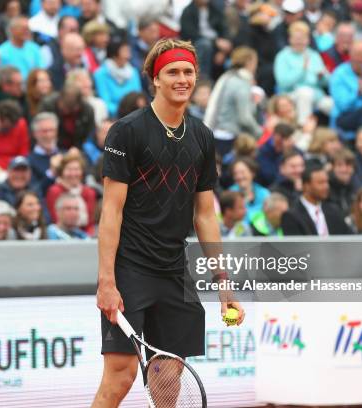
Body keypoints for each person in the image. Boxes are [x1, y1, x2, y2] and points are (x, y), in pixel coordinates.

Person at [92, 38, 244, 407]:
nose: (182, 79)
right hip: (130, 268)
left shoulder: (203, 137)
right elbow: (110, 211)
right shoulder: (127, 132)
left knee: (167, 377)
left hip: (175, 270)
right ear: (155, 80)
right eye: (172, 72)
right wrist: (107, 281)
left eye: (188, 71)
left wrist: (222, 281)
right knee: (122, 375)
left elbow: (205, 214)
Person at [204, 46, 262, 154]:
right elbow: (244, 117)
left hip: (216, 133)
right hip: (228, 137)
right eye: (255, 61)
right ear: (249, 62)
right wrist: (259, 132)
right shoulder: (241, 83)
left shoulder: (226, 77)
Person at [273, 21, 332, 125]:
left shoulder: (314, 55)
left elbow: (325, 83)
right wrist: (301, 70)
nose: (299, 42)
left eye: (302, 39)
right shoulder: (282, 56)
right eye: (296, 39)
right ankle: (304, 130)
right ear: (290, 39)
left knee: (332, 105)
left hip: (316, 95)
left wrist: (322, 77)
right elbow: (282, 82)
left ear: (308, 40)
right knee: (305, 93)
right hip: (290, 95)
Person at [281, 162, 351, 235]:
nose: (326, 186)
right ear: (306, 186)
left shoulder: (334, 210)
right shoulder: (291, 216)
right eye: (321, 183)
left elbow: (348, 237)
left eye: (327, 182)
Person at [46, 153, 97, 235]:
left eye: (76, 169)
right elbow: (55, 219)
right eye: (69, 169)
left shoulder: (89, 192)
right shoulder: (54, 191)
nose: (73, 174)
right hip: (61, 235)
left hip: (84, 236)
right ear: (62, 172)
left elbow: (90, 223)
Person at [180, 0, 231, 80]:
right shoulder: (188, 11)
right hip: (197, 44)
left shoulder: (215, 9)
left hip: (217, 45)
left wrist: (223, 52)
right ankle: (203, 80)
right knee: (205, 44)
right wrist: (215, 42)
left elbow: (225, 29)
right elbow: (190, 35)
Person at [93, 39, 142, 118]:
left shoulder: (134, 72)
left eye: (128, 51)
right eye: (125, 51)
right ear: (114, 53)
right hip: (113, 118)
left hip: (134, 116)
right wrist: (125, 112)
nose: (128, 56)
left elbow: (138, 98)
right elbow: (106, 103)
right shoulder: (100, 74)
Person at [40, 83, 95, 149]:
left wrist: (79, 151)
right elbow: (40, 131)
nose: (64, 111)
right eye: (62, 107)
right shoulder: (48, 105)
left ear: (77, 106)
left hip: (78, 149)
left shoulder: (87, 110)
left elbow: (90, 136)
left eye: (68, 109)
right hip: (52, 148)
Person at [0, 16, 43, 80]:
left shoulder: (34, 48)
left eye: (28, 29)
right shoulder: (1, 51)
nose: (27, 31)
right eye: (23, 29)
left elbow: (40, 70)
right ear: (12, 30)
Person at [229, 157, 270, 222]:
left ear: (252, 173)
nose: (239, 176)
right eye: (235, 173)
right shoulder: (230, 193)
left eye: (242, 172)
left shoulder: (264, 193)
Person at [256, 122, 296, 187]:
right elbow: (270, 177)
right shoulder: (264, 152)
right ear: (277, 137)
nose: (292, 142)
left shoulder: (292, 148)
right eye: (288, 139)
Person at [327, 148, 359, 216]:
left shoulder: (357, 187)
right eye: (339, 165)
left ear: (353, 168)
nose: (344, 169)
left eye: (348, 165)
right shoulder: (325, 188)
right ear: (332, 168)